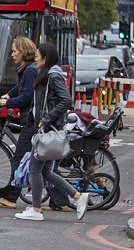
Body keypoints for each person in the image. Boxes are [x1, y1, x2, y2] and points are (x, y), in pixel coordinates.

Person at [15, 42, 90, 222]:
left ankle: (36, 209)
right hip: (45, 128)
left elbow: (65, 100)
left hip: (48, 130)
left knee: (35, 168)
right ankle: (78, 197)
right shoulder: (45, 74)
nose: (35, 57)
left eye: (38, 55)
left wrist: (47, 119)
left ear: (45, 58)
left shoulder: (53, 76)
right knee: (46, 172)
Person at [0, 37, 38, 208]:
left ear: (23, 52)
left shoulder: (30, 70)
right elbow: (20, 87)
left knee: (19, 159)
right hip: (31, 119)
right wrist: (8, 94)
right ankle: (59, 200)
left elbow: (27, 97)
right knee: (41, 163)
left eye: (15, 51)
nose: (12, 54)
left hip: (31, 120)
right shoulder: (27, 69)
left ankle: (11, 197)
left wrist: (6, 103)